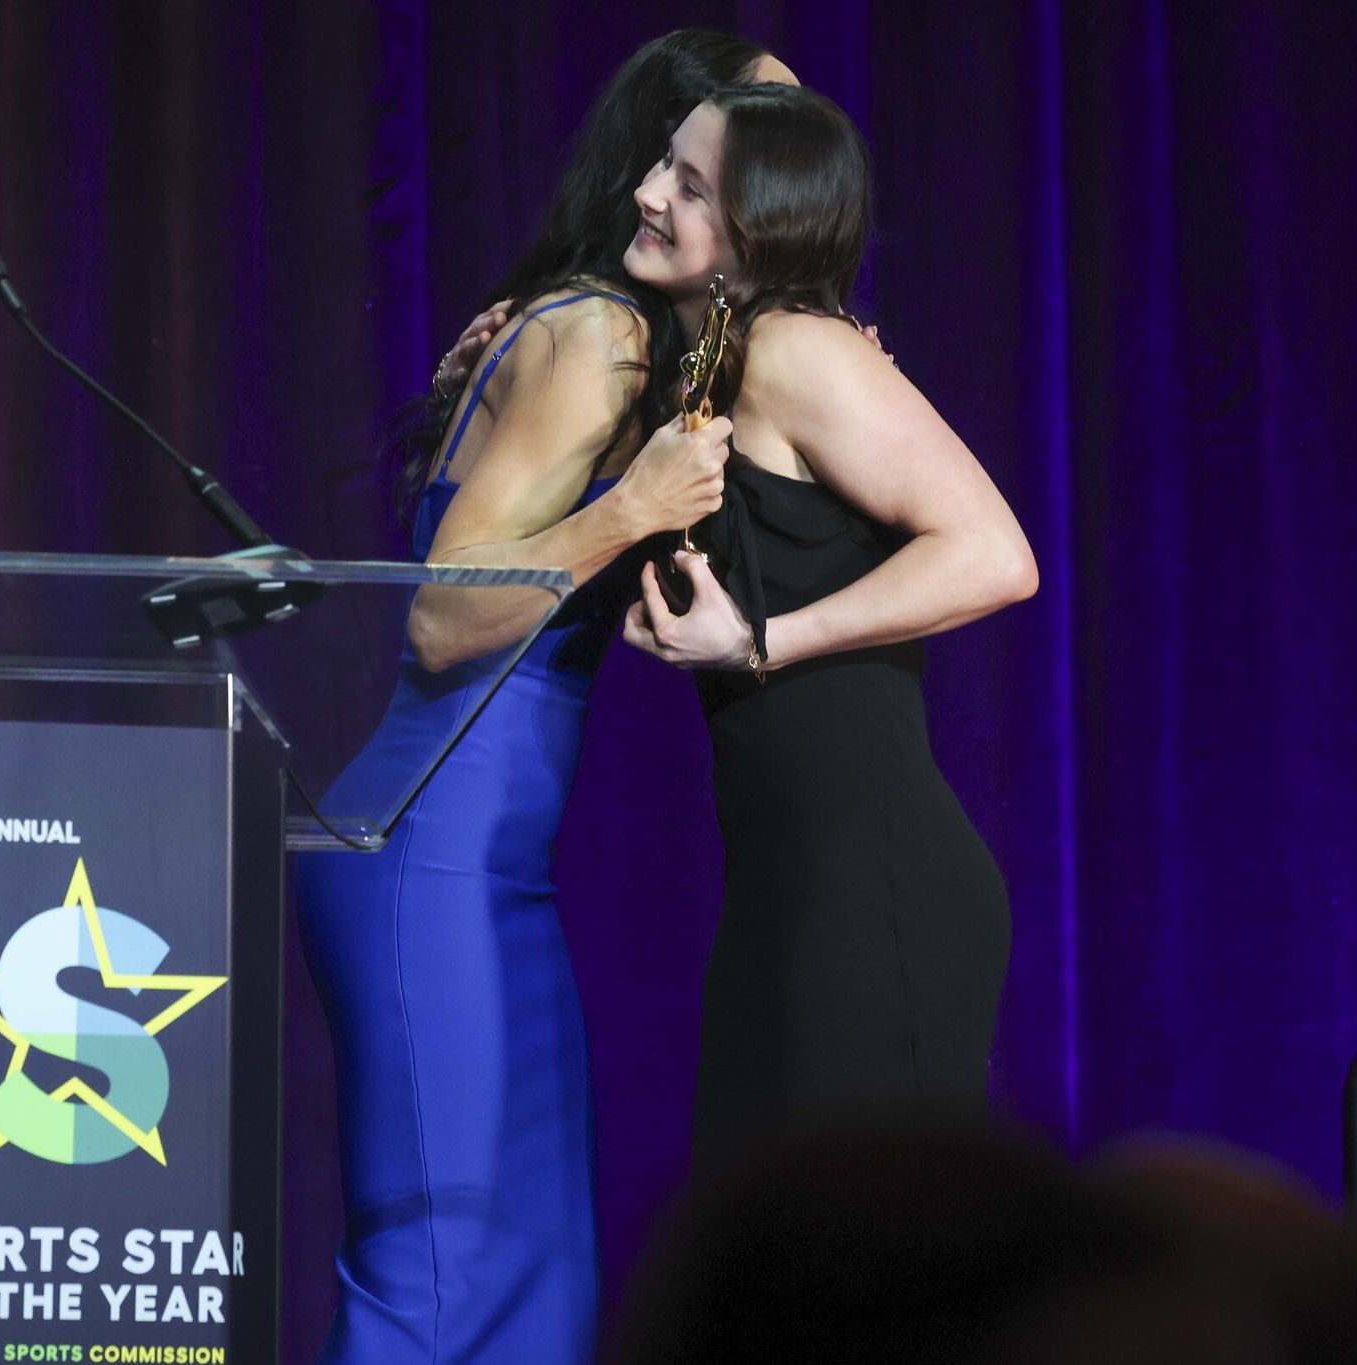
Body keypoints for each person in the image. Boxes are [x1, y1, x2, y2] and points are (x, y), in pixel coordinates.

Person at [294, 31, 792, 1365]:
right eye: (745, 145)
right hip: (430, 847)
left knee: (528, 1277)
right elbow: (444, 616)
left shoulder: (602, 332)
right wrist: (631, 509)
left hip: (472, 856)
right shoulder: (598, 336)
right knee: (442, 1280)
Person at [619, 83, 1039, 1169]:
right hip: (784, 890)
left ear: (759, 228)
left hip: (874, 889)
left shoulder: (797, 350)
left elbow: (996, 556)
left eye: (691, 186)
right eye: (663, 164)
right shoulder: (703, 362)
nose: (649, 193)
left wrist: (761, 642)